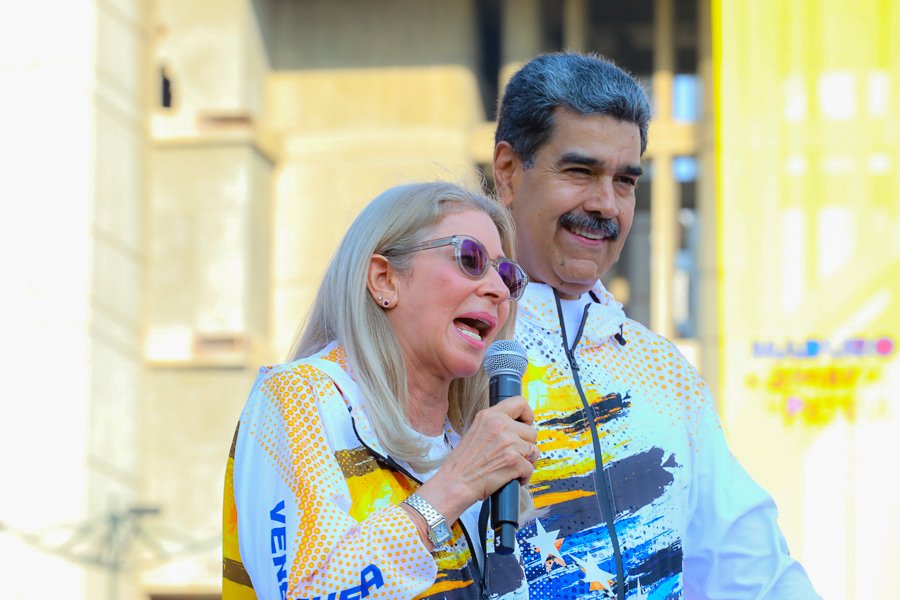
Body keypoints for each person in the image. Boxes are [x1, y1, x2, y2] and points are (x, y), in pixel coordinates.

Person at [492, 52, 821, 599]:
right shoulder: (447, 342)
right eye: (580, 171)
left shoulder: (661, 367)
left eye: (624, 181)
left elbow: (746, 564)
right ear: (508, 172)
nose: (605, 205)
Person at [222, 182, 539, 599]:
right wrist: (454, 488)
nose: (498, 291)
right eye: (470, 258)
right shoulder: (299, 398)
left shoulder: (471, 449)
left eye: (507, 275)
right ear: (384, 279)